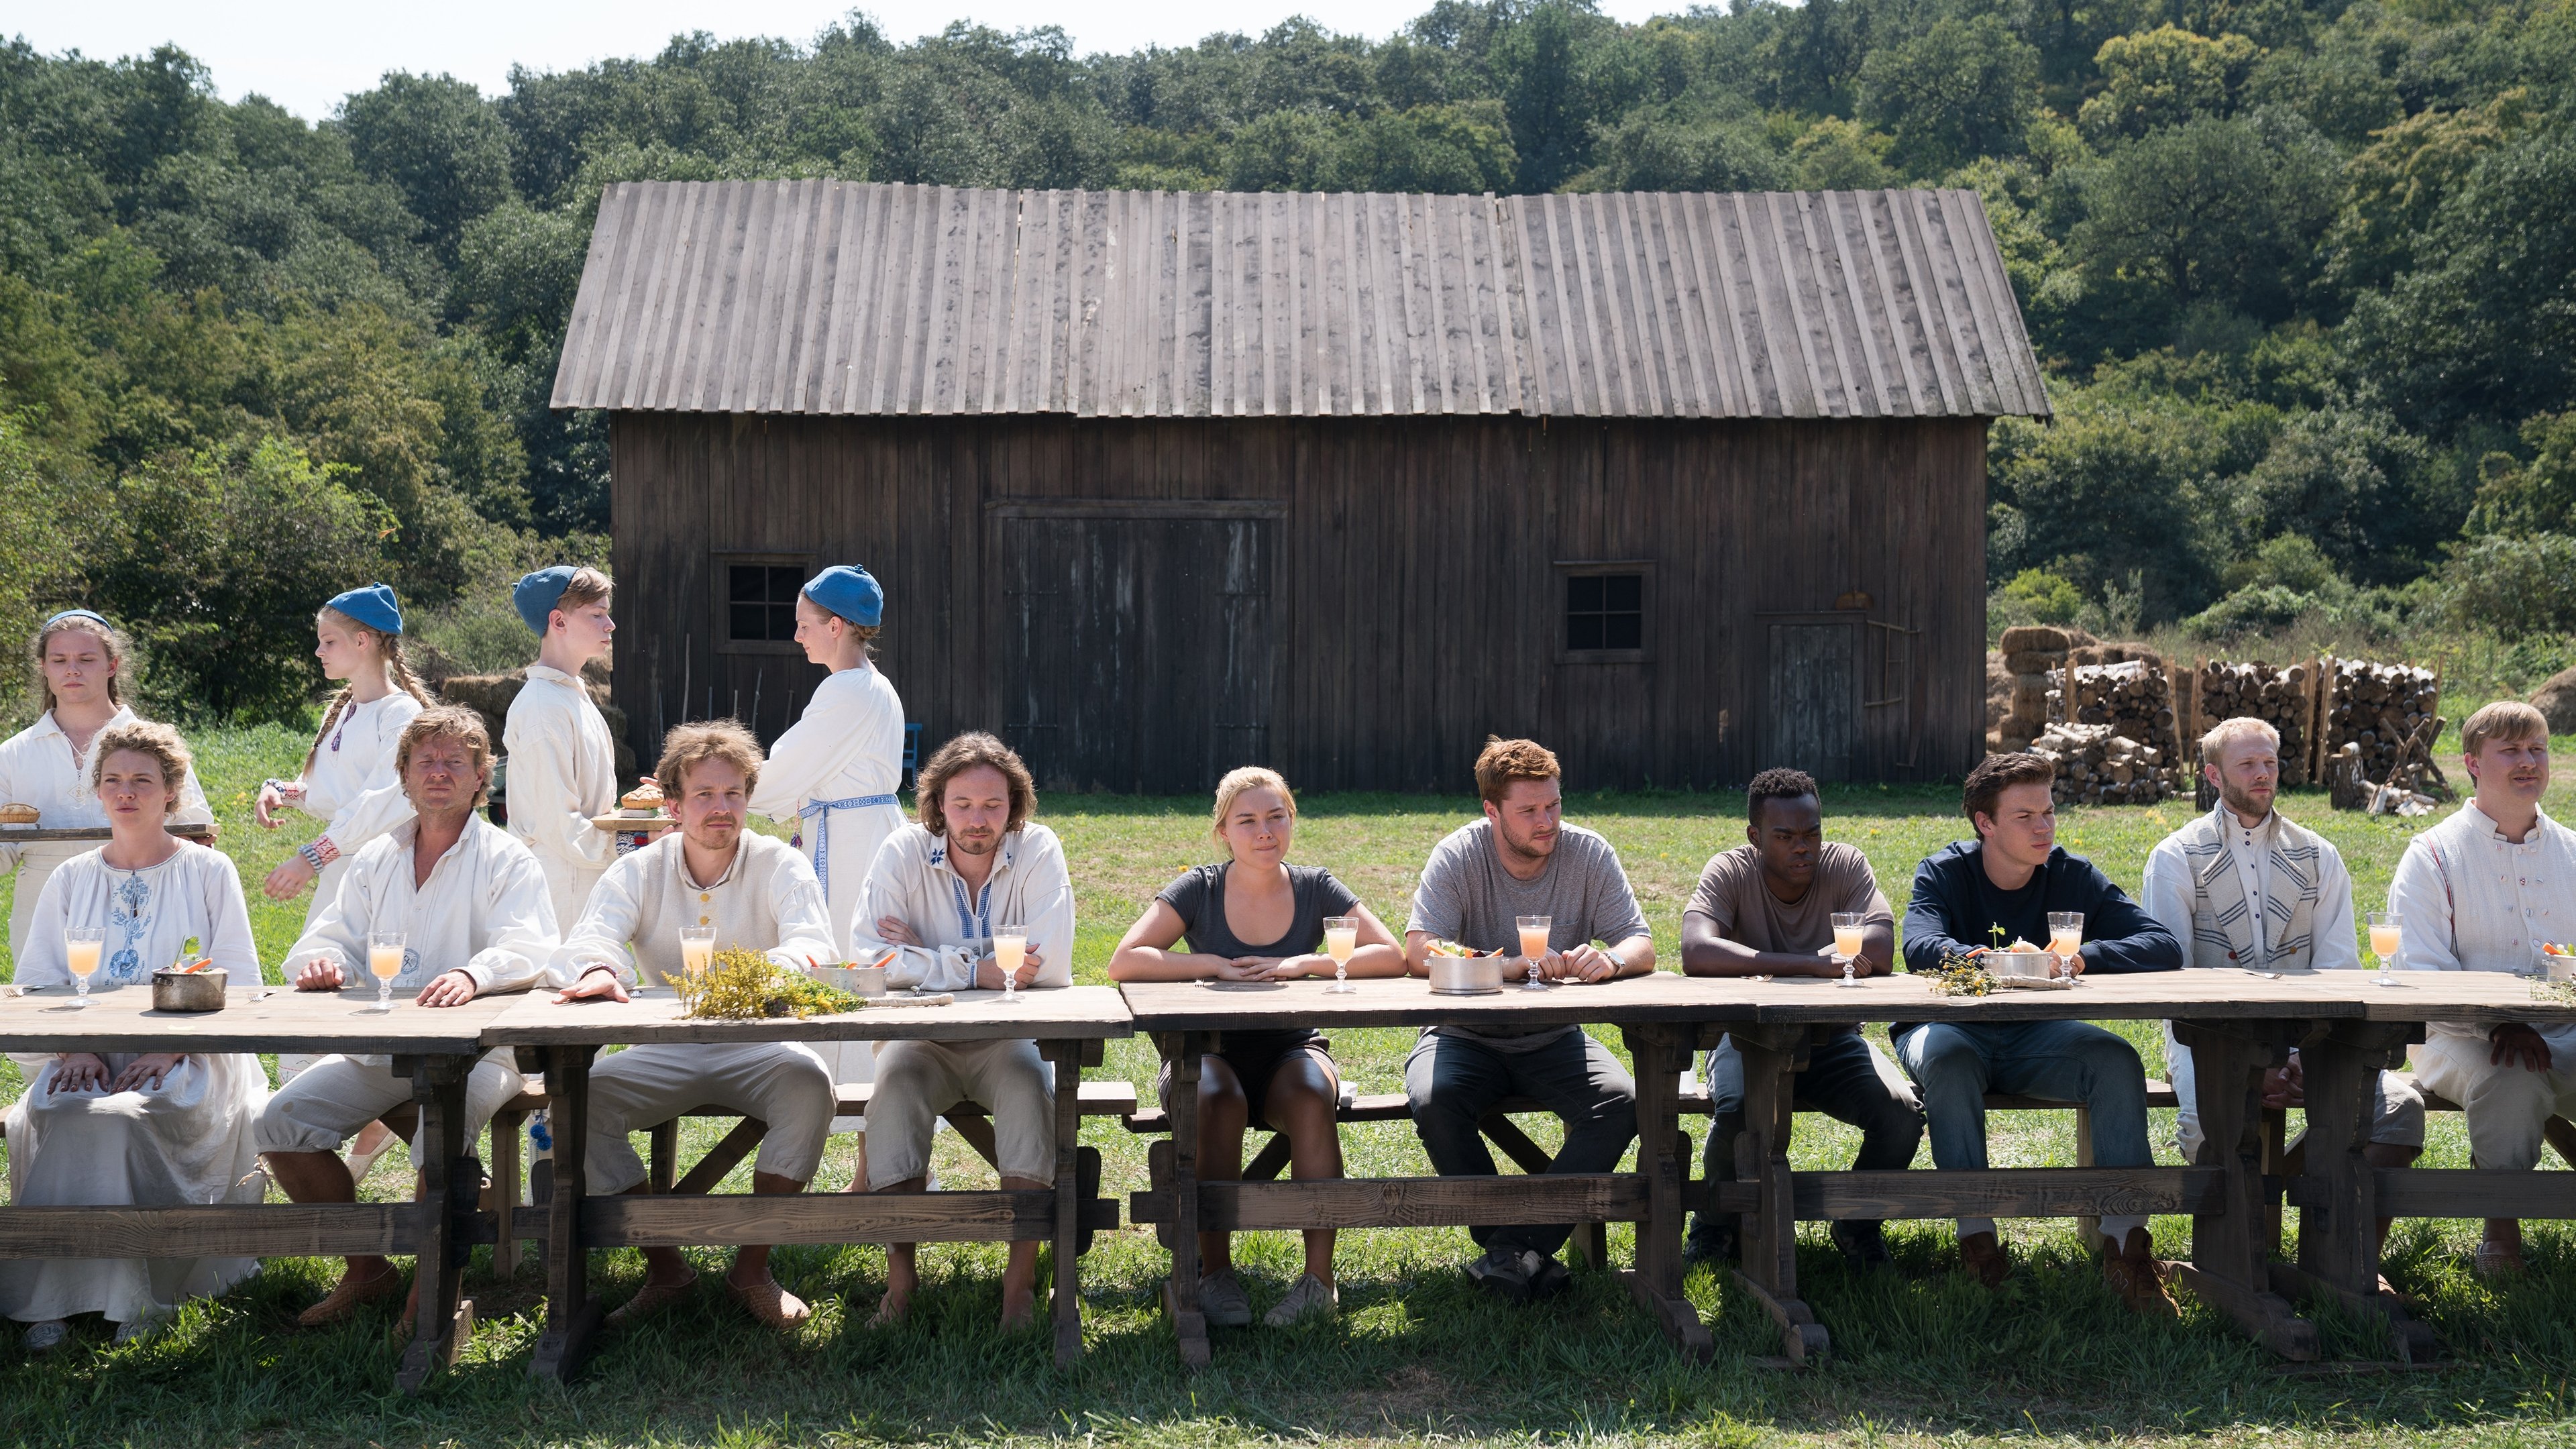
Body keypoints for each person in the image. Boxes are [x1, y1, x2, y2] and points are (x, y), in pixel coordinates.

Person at [256, 707, 559, 1328]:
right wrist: (321, 964)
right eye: (426, 761)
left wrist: (475, 974)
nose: (439, 773)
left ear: (482, 779)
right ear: (404, 776)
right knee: (279, 1124)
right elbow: (327, 938)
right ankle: (368, 1271)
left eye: (456, 762)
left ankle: (430, 1300)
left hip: (481, 1056)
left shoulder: (507, 859)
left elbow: (532, 945)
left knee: (437, 1145)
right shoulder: (375, 859)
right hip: (382, 1049)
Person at [549, 720, 839, 1330]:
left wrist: (749, 983)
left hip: (758, 1044)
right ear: (675, 805)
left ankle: (752, 1269)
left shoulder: (781, 864)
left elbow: (815, 947)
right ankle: (666, 1268)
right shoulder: (639, 870)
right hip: (664, 1045)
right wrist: (603, 969)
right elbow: (591, 937)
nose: (720, 808)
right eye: (704, 795)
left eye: (733, 794)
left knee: (810, 1087)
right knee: (578, 1104)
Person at [0, 721, 266, 1350]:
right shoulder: (70, 879)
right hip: (85, 1051)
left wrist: (174, 1046)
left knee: (129, 1113)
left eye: (143, 781)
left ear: (170, 793)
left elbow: (244, 981)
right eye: (113, 780)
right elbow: (37, 982)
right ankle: (50, 1297)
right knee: (63, 1106)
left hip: (192, 1054)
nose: (127, 793)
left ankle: (136, 1300)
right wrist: (78, 1050)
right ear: (98, 791)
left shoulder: (208, 870)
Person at [1108, 766, 1403, 1328]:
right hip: (1206, 1052)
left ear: (1292, 821)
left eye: (1276, 817)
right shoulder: (1201, 887)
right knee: (1214, 1097)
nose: (1264, 831)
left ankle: (1320, 1280)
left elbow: (1391, 955)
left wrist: (1305, 964)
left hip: (1291, 1049)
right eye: (1247, 821)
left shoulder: (1317, 886)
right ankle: (1213, 1273)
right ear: (1223, 832)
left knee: (1313, 1094)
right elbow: (1126, 959)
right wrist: (1213, 964)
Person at [1898, 751, 2183, 1314]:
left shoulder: (2072, 875)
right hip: (1948, 1029)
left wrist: (2082, 960)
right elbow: (1919, 944)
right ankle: (1978, 1243)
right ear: (1986, 823)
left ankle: (2127, 1248)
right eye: (2026, 816)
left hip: (2037, 1038)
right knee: (1949, 1061)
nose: (2044, 827)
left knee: (2114, 1058)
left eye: (2049, 812)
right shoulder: (1945, 872)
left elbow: (2162, 944)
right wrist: (1986, 960)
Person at [2143, 717, 2424, 1248]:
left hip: (2314, 1040)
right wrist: (2256, 1058)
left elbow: (2340, 971)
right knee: (2210, 1125)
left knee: (2399, 1111)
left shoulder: (2319, 855)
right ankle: (2237, 1263)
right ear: (2212, 775)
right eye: (2247, 764)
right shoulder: (2175, 857)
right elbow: (2173, 980)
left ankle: (2346, 1257)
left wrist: (2301, 1050)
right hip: (2209, 1039)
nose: (2262, 774)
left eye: (2269, 762)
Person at [1403, 737, 1656, 1303]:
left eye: (1555, 806)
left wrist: (1612, 959)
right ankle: (1519, 1249)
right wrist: (1502, 968)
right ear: (1492, 811)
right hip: (1462, 1033)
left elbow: (1641, 942)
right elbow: (1419, 948)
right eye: (1529, 811)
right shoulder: (1458, 854)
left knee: (1622, 1101)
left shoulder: (1589, 852)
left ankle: (1512, 1250)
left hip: (1555, 1035)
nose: (1548, 822)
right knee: (1435, 1098)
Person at [850, 732, 1075, 1330]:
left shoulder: (1037, 849)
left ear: (1015, 805)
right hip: (920, 1038)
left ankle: (1019, 1282)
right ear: (938, 803)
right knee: (892, 1092)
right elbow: (867, 961)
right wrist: (976, 965)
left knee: (1030, 1090)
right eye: (963, 805)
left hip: (1008, 1037)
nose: (978, 820)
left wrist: (925, 955)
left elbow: (1047, 962)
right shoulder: (901, 851)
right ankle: (900, 1283)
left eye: (994, 806)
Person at [1679, 767, 1922, 1272]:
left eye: (1812, 833)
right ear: (1755, 837)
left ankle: (1857, 1224)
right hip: (1748, 1038)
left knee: (1900, 1116)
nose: (1803, 848)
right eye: (1785, 837)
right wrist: (1811, 963)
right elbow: (1697, 950)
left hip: (1834, 1039)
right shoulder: (1730, 870)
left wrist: (1769, 964)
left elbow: (1878, 946)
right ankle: (1715, 1223)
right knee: (1738, 1112)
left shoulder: (1846, 864)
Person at [2388, 700, 2576, 1278]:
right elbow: (2420, 969)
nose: (2529, 763)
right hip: (2453, 1032)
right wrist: (2497, 1021)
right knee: (2510, 1074)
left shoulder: (2572, 851)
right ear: (2472, 763)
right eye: (2511, 751)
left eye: (2538, 749)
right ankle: (2502, 1228)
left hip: (2565, 1025)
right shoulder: (2433, 855)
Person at [253, 584, 432, 1105]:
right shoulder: (348, 712)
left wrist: (312, 856)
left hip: (384, 873)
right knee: (319, 976)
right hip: (346, 871)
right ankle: (335, 1114)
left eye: (328, 641)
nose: (318, 651)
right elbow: (334, 795)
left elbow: (382, 802)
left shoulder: (401, 716)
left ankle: (370, 1109)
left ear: (365, 642)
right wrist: (283, 790)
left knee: (365, 985)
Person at [749, 565, 906, 1132]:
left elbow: (787, 768)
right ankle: (875, 1147)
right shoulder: (869, 683)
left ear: (836, 626)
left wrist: (711, 796)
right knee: (855, 973)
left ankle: (876, 1138)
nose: (798, 635)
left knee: (855, 972)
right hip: (850, 833)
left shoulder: (847, 689)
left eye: (805, 624)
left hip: (853, 848)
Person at [0, 610, 213, 959]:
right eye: (59, 660)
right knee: (44, 1007)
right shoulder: (13, 754)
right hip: (44, 913)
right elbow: (5, 850)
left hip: (142, 904)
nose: (72, 669)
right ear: (43, 667)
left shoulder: (153, 746)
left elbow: (193, 832)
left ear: (111, 665)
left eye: (86, 659)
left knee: (139, 1006)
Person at [503, 566, 619, 930]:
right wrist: (631, 845)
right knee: (562, 982)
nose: (610, 624)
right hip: (560, 881)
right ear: (558, 621)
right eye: (597, 615)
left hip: (582, 874)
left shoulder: (568, 696)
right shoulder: (543, 707)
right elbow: (558, 826)